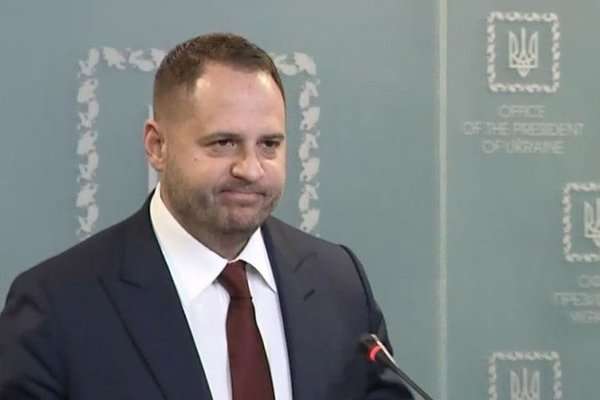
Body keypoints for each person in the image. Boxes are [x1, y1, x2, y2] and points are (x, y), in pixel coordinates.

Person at [0, 33, 413, 399]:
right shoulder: (56, 305)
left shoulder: (339, 282)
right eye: (223, 143)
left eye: (269, 144)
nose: (251, 169)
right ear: (157, 146)